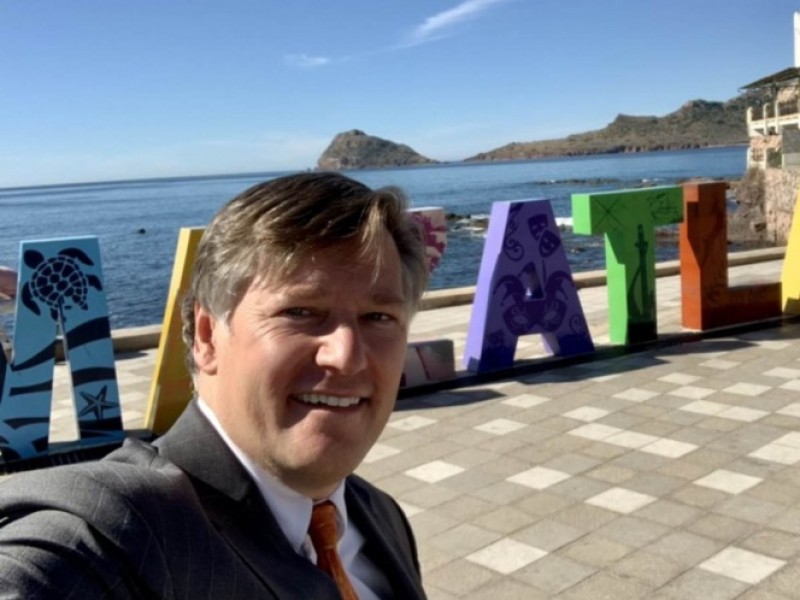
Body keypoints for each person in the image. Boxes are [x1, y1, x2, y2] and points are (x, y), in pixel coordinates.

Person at [0, 172, 430, 599]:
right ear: (207, 336)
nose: (346, 356)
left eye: (378, 317)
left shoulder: (378, 516)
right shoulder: (115, 533)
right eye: (299, 312)